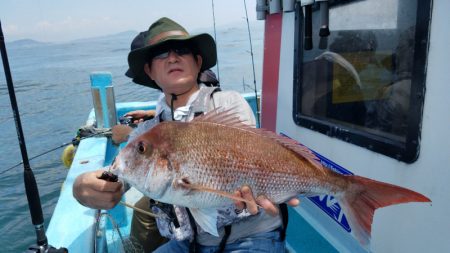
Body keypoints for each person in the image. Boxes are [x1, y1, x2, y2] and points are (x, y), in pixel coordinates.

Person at [73, 17, 298, 252]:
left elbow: (251, 153)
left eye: (182, 50)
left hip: (251, 236)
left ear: (198, 62)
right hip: (186, 244)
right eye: (161, 53)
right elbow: (117, 175)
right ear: (149, 70)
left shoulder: (227, 103)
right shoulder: (145, 135)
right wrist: (82, 188)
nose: (172, 57)